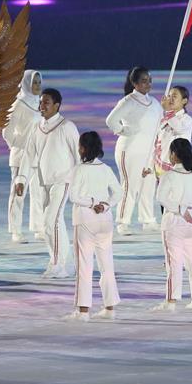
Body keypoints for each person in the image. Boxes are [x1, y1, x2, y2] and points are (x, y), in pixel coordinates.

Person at [17, 88, 80, 278]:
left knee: (50, 221)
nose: (41, 106)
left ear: (56, 106)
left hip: (63, 180)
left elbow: (78, 155)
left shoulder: (67, 126)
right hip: (43, 181)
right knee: (53, 223)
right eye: (41, 102)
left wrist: (80, 181)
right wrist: (21, 179)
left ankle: (57, 263)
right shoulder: (37, 127)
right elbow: (28, 155)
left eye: (46, 102)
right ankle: (62, 262)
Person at [64, 132, 122, 322]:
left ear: (83, 148)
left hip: (85, 220)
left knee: (84, 266)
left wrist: (92, 202)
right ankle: (110, 307)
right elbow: (118, 193)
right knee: (107, 265)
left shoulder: (78, 170)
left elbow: (73, 196)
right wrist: (105, 205)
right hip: (105, 220)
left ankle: (82, 312)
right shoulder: (105, 169)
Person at [152, 139, 192, 312]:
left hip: (173, 223)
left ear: (175, 154)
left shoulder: (168, 176)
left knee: (174, 263)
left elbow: (161, 198)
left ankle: (171, 301)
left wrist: (181, 208)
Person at [105, 67, 162, 235]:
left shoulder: (155, 103)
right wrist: (122, 130)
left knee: (148, 184)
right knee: (130, 185)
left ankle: (148, 219)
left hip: (148, 152)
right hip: (129, 150)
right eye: (144, 80)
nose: (148, 84)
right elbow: (111, 120)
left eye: (149, 80)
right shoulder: (128, 101)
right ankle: (123, 221)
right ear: (134, 83)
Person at [2, 70, 44, 243]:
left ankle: (38, 227)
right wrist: (17, 145)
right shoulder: (19, 104)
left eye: (39, 83)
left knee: (38, 193)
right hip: (21, 156)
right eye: (35, 83)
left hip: (38, 155)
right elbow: (7, 131)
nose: (38, 86)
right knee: (18, 193)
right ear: (27, 84)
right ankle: (16, 230)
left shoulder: (40, 103)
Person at [151, 85, 192, 177]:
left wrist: (167, 111)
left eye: (174, 96)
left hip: (175, 169)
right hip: (158, 166)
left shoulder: (187, 120)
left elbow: (178, 128)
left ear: (184, 101)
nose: (170, 99)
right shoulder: (164, 118)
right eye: (169, 96)